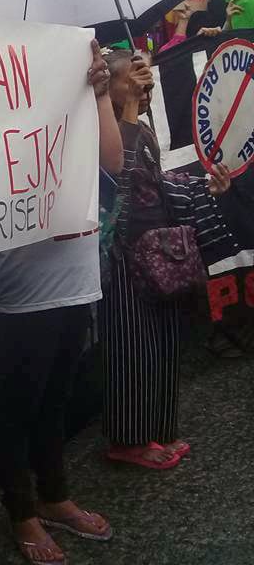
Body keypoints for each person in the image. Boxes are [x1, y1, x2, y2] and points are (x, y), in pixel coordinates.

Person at [0, 41, 121, 565]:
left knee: (55, 400)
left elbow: (112, 165)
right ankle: (22, 512)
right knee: (18, 406)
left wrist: (100, 95)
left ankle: (55, 496)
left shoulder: (78, 86)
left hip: (75, 280)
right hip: (17, 293)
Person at [99, 49, 237, 469]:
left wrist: (203, 186)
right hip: (124, 256)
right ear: (109, 88)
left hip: (156, 251)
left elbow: (158, 181)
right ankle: (126, 440)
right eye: (132, 77)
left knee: (161, 344)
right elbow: (117, 170)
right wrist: (124, 104)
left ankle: (156, 429)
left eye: (145, 77)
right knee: (132, 348)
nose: (143, 83)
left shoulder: (142, 128)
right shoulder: (104, 129)